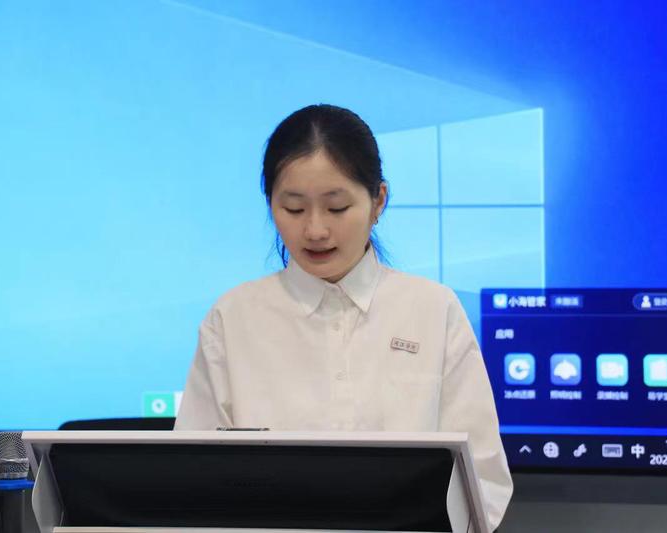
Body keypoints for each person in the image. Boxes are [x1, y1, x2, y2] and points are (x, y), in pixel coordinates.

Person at [175, 104, 513, 530]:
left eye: (336, 208)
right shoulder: (232, 319)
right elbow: (193, 478)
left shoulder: (432, 309)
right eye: (293, 209)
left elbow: (483, 477)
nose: (315, 230)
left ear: (378, 201)